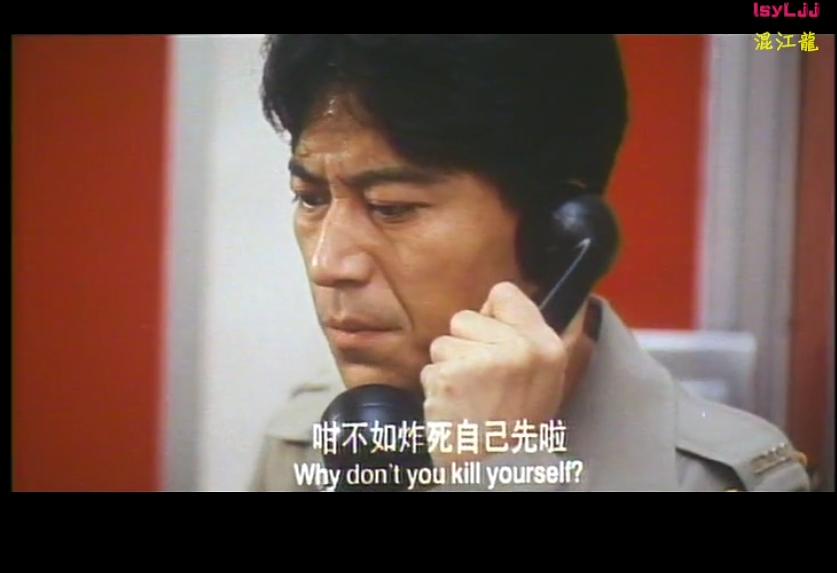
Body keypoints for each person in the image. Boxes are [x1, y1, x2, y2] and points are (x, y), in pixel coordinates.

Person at [250, 34, 809, 492]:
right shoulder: (307, 437)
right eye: (311, 199)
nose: (328, 264)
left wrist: (498, 466)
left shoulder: (725, 478)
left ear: (555, 235)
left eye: (391, 208)